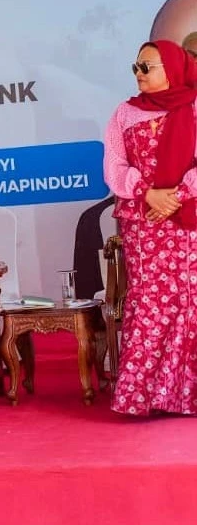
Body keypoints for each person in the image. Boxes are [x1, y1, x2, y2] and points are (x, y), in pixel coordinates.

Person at [103, 40, 197, 416]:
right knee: (151, 303)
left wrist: (178, 195)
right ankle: (145, 396)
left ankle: (185, 395)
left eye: (148, 66)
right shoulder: (125, 113)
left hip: (188, 219)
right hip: (144, 224)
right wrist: (147, 193)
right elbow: (114, 166)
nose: (140, 74)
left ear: (172, 68)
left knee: (189, 302)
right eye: (136, 67)